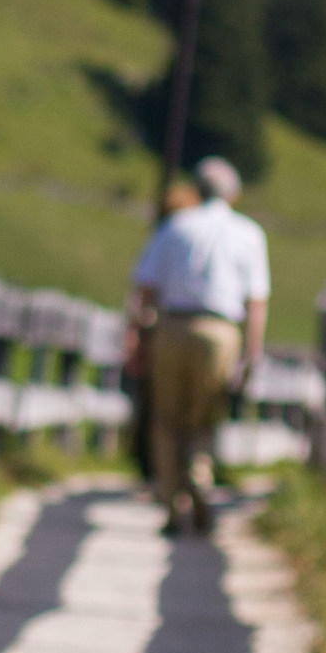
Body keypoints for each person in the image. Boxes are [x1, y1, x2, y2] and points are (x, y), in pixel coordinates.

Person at [127, 157, 270, 536]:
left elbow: (143, 288)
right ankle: (202, 482)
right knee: (207, 415)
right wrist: (252, 355)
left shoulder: (175, 226)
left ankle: (174, 501)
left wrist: (137, 339)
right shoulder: (249, 233)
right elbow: (256, 303)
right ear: (233, 193)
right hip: (221, 331)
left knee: (166, 418)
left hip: (172, 328)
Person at [122, 176, 199, 483]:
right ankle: (191, 471)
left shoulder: (164, 236)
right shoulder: (196, 237)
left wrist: (134, 335)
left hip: (163, 332)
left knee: (158, 411)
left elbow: (141, 292)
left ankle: (159, 476)